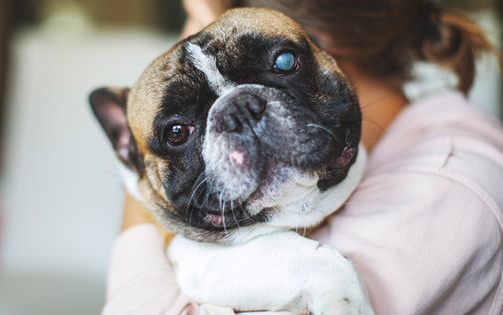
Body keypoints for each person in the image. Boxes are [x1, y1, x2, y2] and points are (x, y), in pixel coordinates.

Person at [103, 0, 503, 314]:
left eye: (281, 63)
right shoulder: (410, 147)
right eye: (178, 133)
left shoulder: (444, 187)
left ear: (325, 40)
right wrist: (137, 158)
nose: (243, 122)